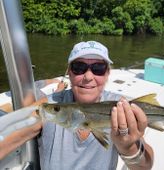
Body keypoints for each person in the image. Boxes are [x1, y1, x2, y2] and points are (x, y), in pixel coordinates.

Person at [38, 40, 154, 170]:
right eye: (79, 68)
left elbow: (145, 167)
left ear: (107, 74)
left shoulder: (121, 107)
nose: (88, 76)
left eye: (98, 68)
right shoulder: (49, 104)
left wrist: (128, 148)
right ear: (69, 72)